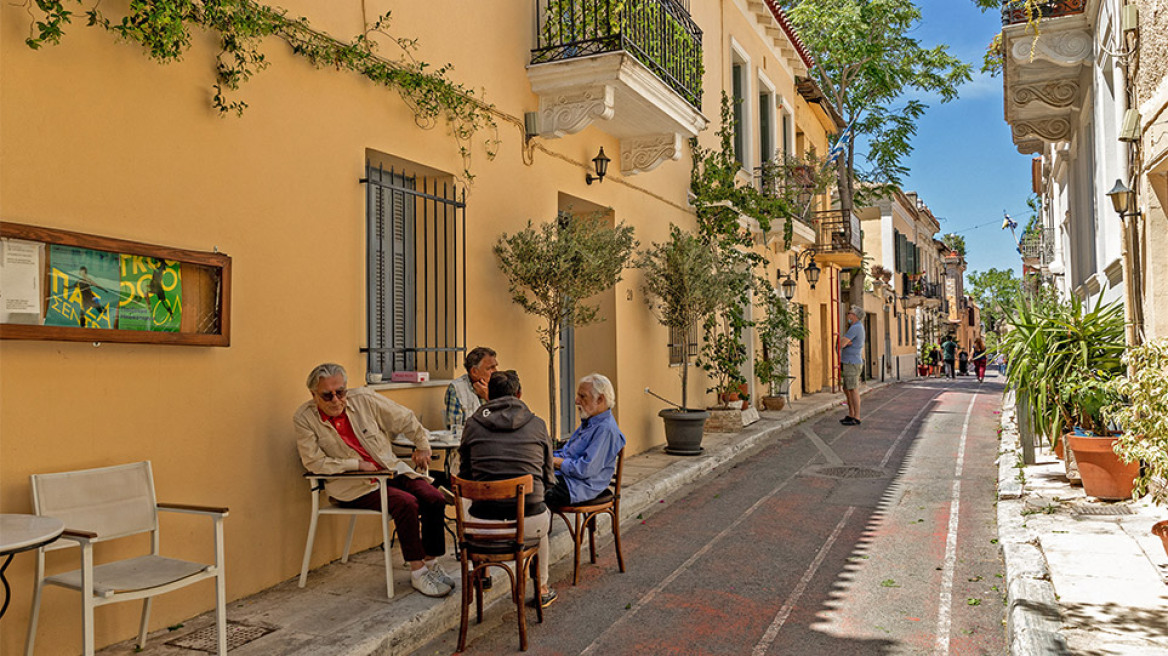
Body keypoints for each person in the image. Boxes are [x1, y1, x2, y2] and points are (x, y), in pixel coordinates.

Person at [294, 363, 455, 598]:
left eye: (341, 392)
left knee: (434, 497)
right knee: (406, 503)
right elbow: (314, 462)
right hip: (352, 486)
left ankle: (430, 563)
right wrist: (356, 465)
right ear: (313, 394)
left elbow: (404, 419)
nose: (336, 400)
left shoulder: (364, 400)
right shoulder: (304, 418)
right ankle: (417, 571)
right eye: (327, 395)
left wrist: (422, 444)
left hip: (389, 470)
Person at [458, 370, 557, 608]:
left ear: (488, 396)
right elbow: (548, 477)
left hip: (483, 527)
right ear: (519, 393)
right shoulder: (538, 424)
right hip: (528, 523)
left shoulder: (472, 424)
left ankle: (484, 576)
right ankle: (541, 587)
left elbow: (465, 475)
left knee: (470, 499)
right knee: (541, 517)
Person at [547, 373, 626, 512]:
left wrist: (555, 461)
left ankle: (532, 531)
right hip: (568, 479)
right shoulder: (591, 422)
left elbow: (585, 469)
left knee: (531, 490)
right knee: (526, 478)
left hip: (579, 487)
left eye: (582, 396)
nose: (577, 401)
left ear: (600, 399)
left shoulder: (605, 429)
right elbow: (568, 453)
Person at [444, 346, 498, 429]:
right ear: (474, 371)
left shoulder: (500, 384)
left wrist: (487, 397)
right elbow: (454, 427)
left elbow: (506, 419)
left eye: (495, 367)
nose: (495, 371)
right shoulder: (457, 388)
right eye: (490, 368)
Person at [838, 306, 866, 426]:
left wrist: (845, 342)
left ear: (855, 316)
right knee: (847, 388)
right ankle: (851, 414)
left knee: (853, 389)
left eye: (849, 313)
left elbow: (841, 343)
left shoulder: (855, 328)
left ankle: (857, 416)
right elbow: (843, 343)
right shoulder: (854, 327)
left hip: (852, 362)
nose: (848, 315)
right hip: (849, 361)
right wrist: (845, 342)